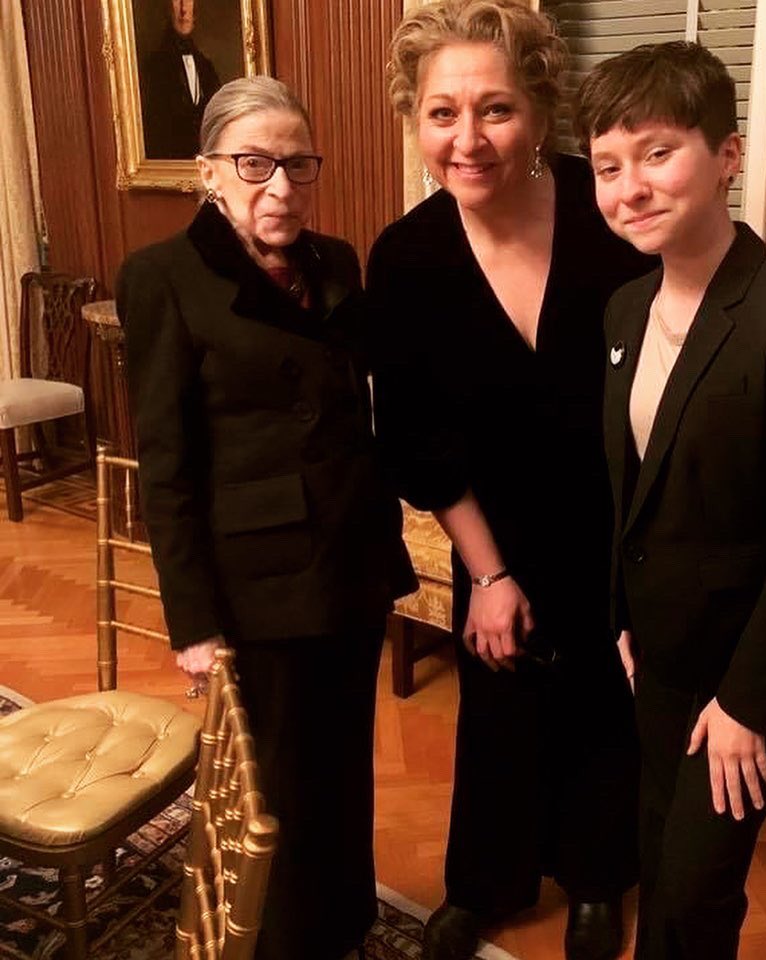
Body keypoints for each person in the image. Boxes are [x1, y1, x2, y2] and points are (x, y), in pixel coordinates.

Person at [369, 3, 655, 959]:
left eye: (495, 108)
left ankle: (596, 878)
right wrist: (488, 575)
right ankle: (484, 883)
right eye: (442, 112)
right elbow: (417, 438)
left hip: (620, 524)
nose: (468, 138)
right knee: (497, 700)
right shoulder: (405, 257)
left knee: (607, 703)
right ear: (414, 118)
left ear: (539, 110)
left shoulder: (609, 214)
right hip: (491, 527)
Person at [574, 42, 766, 959]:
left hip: (748, 669)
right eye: (608, 167)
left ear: (728, 155)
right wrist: (623, 619)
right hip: (657, 653)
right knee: (662, 860)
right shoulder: (624, 311)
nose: (631, 188)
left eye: (657, 153)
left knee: (694, 893)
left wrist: (746, 702)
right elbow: (633, 488)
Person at [117, 76, 417, 960]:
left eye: (297, 163)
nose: (280, 186)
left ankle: (346, 925)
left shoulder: (337, 261)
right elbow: (166, 465)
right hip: (258, 584)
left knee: (343, 765)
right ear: (209, 171)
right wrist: (193, 623)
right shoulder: (162, 278)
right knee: (277, 786)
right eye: (254, 164)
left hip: (350, 561)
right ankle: (285, 945)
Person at [140, 0, 221, 158]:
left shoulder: (206, 67)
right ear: (167, 7)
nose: (183, 9)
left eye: (188, 0)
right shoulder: (155, 67)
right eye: (178, 0)